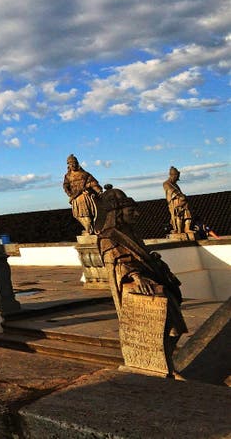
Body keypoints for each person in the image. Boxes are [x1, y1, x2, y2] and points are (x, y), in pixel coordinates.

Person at [96, 185, 187, 377]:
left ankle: (167, 365)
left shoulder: (132, 232)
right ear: (118, 213)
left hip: (156, 280)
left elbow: (139, 256)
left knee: (175, 328)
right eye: (131, 211)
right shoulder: (108, 237)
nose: (136, 214)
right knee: (167, 329)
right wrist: (136, 277)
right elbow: (115, 262)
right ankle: (162, 367)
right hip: (141, 286)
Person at [63, 154, 102, 234]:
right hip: (75, 198)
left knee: (86, 214)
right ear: (68, 165)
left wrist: (98, 191)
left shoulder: (85, 174)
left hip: (83, 197)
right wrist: (70, 194)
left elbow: (93, 183)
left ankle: (89, 230)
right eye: (70, 163)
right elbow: (65, 186)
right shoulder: (67, 176)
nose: (73, 165)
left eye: (74, 163)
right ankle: (89, 229)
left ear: (77, 163)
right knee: (78, 215)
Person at [163, 166, 194, 235]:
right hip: (175, 203)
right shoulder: (166, 183)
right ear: (173, 175)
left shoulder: (176, 185)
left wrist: (183, 196)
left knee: (187, 214)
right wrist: (179, 196)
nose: (177, 179)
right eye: (177, 177)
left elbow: (180, 193)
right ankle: (179, 230)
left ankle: (187, 228)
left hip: (183, 203)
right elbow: (170, 191)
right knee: (178, 215)